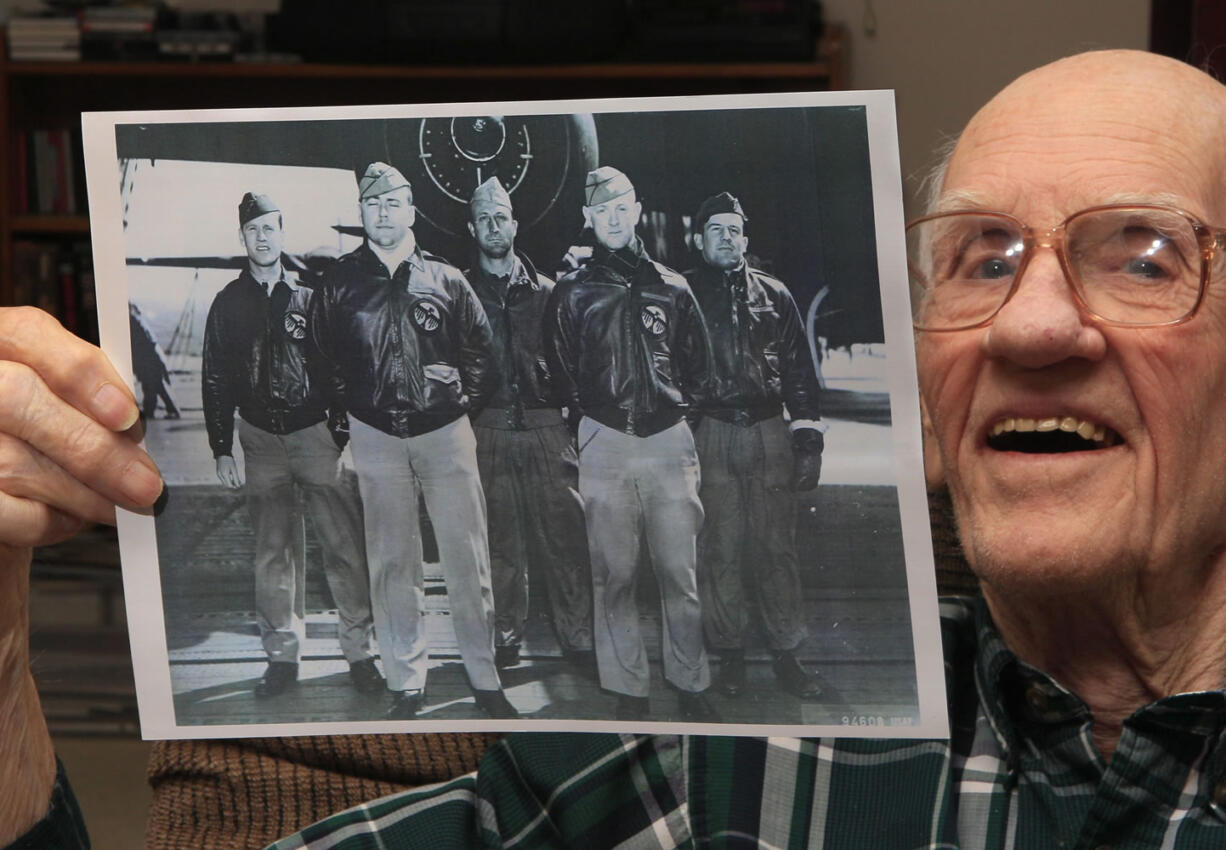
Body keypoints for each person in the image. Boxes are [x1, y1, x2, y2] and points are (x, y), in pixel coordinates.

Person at [10, 48, 1226, 849]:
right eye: (980, 258)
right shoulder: (697, 763)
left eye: (1141, 256)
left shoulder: (664, 290)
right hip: (487, 444)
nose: (1029, 319)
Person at [308, 162, 517, 720]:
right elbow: (321, 359)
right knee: (391, 562)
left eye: (392, 202)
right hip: (376, 436)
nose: (382, 212)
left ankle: (484, 675)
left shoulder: (447, 278)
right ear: (362, 212)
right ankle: (407, 681)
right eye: (371, 204)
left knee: (467, 558)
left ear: (410, 210)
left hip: (445, 435)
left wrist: (459, 402)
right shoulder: (339, 283)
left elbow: (482, 351)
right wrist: (348, 418)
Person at [545, 166, 718, 723]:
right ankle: (627, 686)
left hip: (668, 439)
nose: (614, 218)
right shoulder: (572, 292)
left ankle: (691, 682)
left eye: (623, 207)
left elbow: (700, 368)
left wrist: (671, 412)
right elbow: (561, 370)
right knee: (613, 572)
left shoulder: (673, 286)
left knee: (678, 570)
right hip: (605, 440)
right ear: (589, 219)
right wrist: (593, 423)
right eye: (603, 210)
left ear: (637, 210)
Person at [201, 192, 380, 699]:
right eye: (253, 229)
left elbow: (340, 368)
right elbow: (214, 377)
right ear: (243, 237)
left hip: (314, 436)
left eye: (271, 228)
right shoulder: (227, 304)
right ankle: (281, 658)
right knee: (272, 555)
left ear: (283, 234)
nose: (263, 237)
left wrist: (339, 434)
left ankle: (360, 653)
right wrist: (221, 446)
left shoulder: (310, 296)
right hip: (259, 441)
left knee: (344, 548)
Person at [685, 191, 825, 700]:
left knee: (775, 548)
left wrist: (807, 440)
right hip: (711, 432)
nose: (727, 238)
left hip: (767, 431)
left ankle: (788, 654)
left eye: (735, 230)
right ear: (699, 239)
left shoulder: (776, 295)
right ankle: (730, 656)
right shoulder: (682, 294)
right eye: (716, 229)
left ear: (746, 238)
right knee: (719, 547)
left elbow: (799, 374)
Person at [462, 176, 594, 672]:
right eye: (484, 220)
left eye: (501, 218)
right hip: (487, 429)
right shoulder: (462, 291)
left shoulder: (550, 292)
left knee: (565, 536)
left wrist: (573, 426)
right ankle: (505, 635)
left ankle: (578, 638)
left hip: (545, 427)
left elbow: (573, 362)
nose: (494, 228)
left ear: (515, 224)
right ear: (472, 228)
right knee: (500, 539)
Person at [127, 300, 180, 420]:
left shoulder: (134, 321)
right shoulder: (138, 320)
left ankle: (154, 411)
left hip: (148, 360)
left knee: (152, 386)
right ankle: (163, 410)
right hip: (150, 358)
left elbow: (142, 344)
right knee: (157, 385)